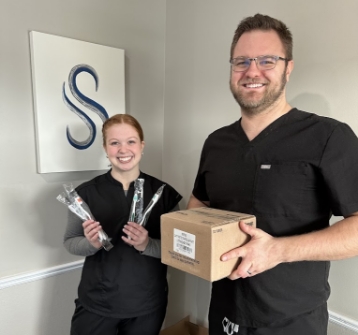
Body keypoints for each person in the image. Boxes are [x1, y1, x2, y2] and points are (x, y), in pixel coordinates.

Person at [187, 13, 358, 335]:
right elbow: (198, 204)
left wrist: (277, 250)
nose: (252, 71)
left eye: (267, 60)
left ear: (288, 68)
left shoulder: (329, 137)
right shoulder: (216, 143)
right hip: (225, 309)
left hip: (293, 319)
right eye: (241, 62)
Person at [64, 114, 182, 335]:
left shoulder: (164, 194)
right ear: (105, 148)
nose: (123, 149)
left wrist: (146, 244)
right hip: (96, 303)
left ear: (142, 145)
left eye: (131, 141)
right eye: (114, 142)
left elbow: (178, 249)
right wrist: (91, 243)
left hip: (146, 305)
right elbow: (70, 241)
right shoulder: (84, 194)